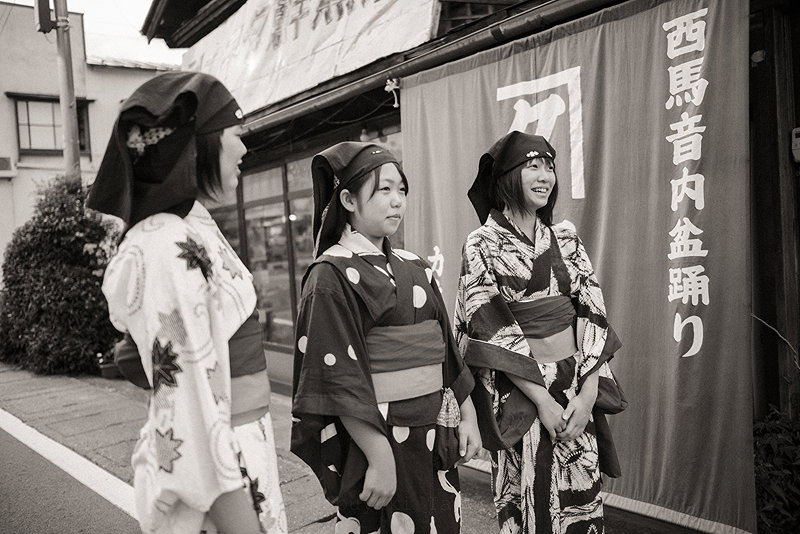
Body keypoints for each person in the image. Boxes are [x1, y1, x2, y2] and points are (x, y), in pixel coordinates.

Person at [87, 71, 287, 534]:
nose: (244, 148)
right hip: (216, 468)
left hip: (240, 440)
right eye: (235, 133)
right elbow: (187, 406)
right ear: (199, 145)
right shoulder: (164, 242)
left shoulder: (189, 228)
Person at [290, 142, 482, 533]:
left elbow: (446, 352)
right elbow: (336, 377)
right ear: (348, 199)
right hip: (376, 435)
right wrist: (378, 456)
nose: (397, 201)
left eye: (402, 190)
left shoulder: (416, 266)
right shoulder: (329, 274)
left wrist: (469, 417)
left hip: (434, 431)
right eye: (384, 190)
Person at [454, 131, 626, 533]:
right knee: (528, 501)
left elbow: (592, 310)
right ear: (506, 176)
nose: (545, 175)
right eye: (532, 165)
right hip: (521, 391)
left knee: (582, 500)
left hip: (575, 382)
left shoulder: (565, 236)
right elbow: (487, 326)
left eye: (549, 166)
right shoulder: (482, 243)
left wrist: (588, 393)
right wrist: (543, 401)